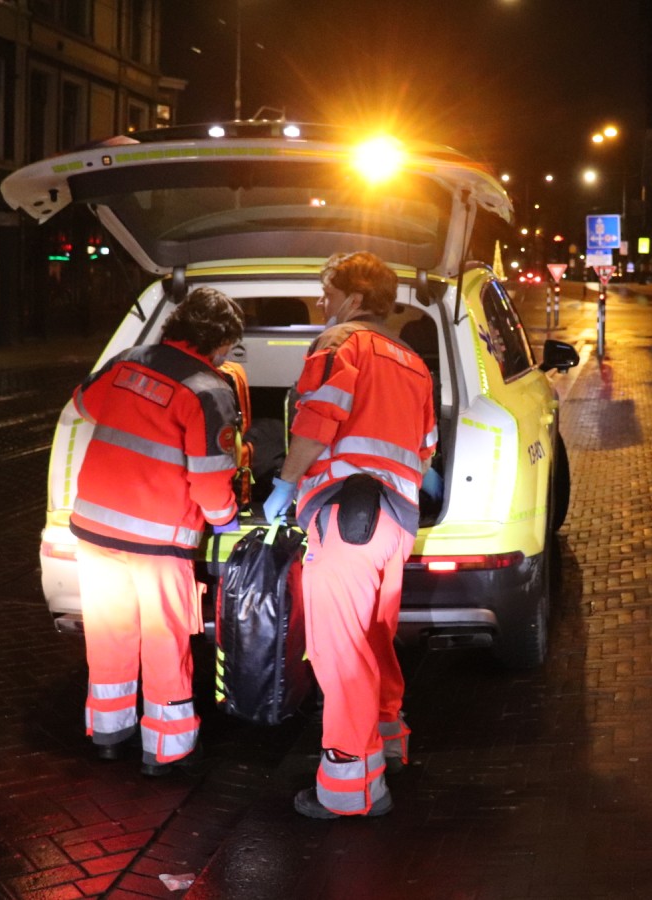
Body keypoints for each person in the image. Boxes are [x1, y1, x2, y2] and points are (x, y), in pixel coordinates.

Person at [263, 251, 437, 819]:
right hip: (394, 524)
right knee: (374, 637)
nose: (320, 303)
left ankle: (350, 787)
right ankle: (387, 741)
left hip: (346, 517)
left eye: (327, 291)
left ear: (354, 300)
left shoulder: (340, 342)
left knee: (339, 651)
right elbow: (425, 445)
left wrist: (286, 485)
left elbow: (318, 418)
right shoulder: (413, 361)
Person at [70, 286, 246, 776]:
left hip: (96, 526)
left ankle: (108, 733)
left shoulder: (130, 360)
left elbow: (86, 404)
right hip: (159, 539)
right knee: (165, 637)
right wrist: (225, 519)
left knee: (109, 632)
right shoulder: (210, 389)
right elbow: (210, 477)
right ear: (220, 343)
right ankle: (167, 749)